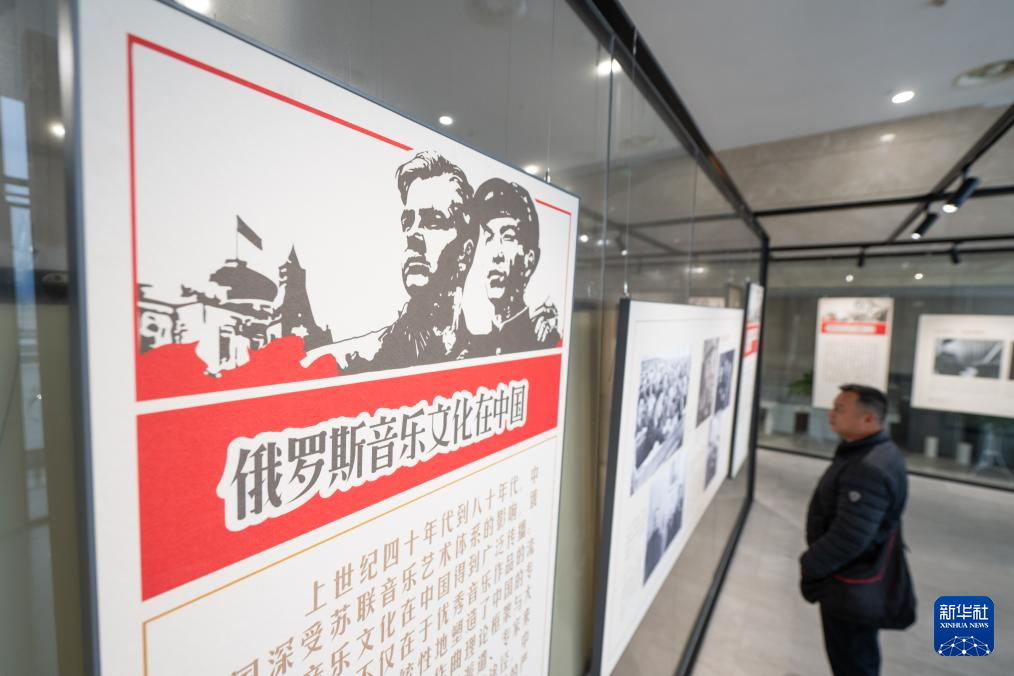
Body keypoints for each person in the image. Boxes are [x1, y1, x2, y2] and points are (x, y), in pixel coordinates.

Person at [303, 150, 476, 373]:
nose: (412, 234)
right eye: (408, 222)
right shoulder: (347, 364)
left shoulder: (484, 355)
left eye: (433, 221)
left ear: (465, 254)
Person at [800, 384, 912, 676]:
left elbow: (850, 537)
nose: (831, 414)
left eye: (840, 409)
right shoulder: (876, 453)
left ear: (868, 419)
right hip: (854, 578)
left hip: (849, 582)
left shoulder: (868, 468)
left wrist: (810, 564)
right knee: (855, 655)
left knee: (852, 659)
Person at [464, 177, 559, 357]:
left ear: (529, 260)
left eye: (508, 237)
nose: (496, 254)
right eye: (489, 237)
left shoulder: (544, 341)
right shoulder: (472, 349)